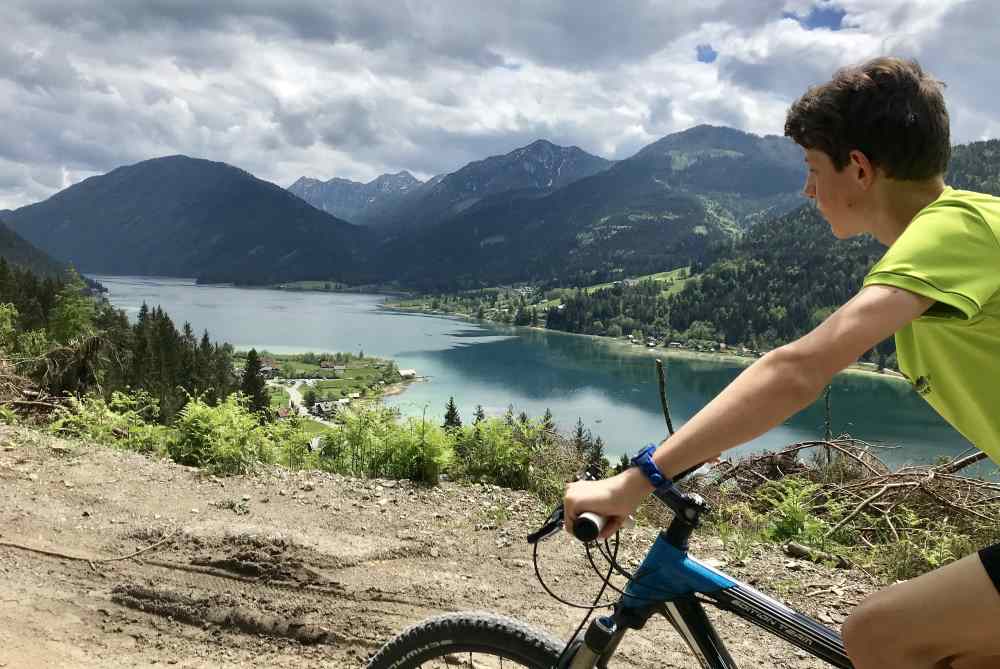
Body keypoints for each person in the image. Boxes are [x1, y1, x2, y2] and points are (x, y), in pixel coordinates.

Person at [563, 57, 1000, 669]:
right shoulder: (962, 231)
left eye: (813, 169)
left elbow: (798, 370)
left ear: (860, 168)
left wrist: (638, 479)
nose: (807, 191)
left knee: (879, 636)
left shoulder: (953, 231)